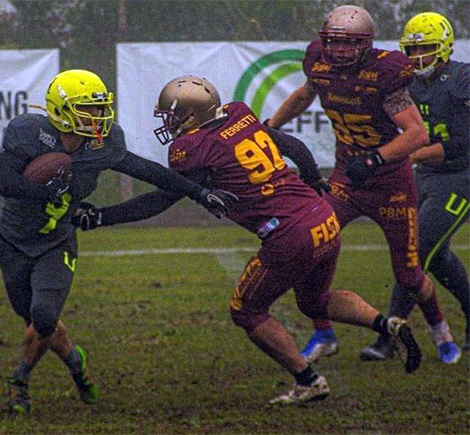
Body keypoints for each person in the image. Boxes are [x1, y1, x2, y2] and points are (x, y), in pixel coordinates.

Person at [73, 75, 422, 404]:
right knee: (315, 302)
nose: (169, 123)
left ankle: (307, 381)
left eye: (173, 116)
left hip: (290, 234)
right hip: (323, 215)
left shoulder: (192, 148)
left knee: (246, 310)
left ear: (192, 116)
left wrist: (104, 216)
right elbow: (295, 147)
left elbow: (160, 199)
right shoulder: (240, 115)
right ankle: (387, 323)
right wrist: (315, 180)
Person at [0, 69, 238, 413]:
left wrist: (198, 192)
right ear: (62, 110)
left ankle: (20, 380)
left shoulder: (101, 145)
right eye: (88, 109)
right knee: (36, 323)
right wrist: (40, 192)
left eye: (101, 108)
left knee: (43, 318)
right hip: (13, 241)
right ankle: (76, 362)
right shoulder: (31, 134)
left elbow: (146, 170)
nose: (98, 116)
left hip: (56, 243)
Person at [265, 4, 460, 365]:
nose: (339, 51)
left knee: (409, 274)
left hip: (390, 182)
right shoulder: (318, 64)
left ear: (366, 44)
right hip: (347, 181)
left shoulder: (384, 72)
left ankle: (439, 328)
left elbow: (417, 133)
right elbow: (307, 93)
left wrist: (375, 159)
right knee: (307, 244)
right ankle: (324, 333)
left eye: (349, 44)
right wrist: (272, 125)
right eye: (333, 43)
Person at [360, 12, 470, 360]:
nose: (418, 57)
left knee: (416, 250)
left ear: (445, 47)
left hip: (461, 175)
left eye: (426, 48)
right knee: (436, 258)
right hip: (424, 176)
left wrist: (410, 155)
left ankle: (390, 333)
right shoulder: (405, 84)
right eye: (413, 48)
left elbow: (464, 142)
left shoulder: (463, 79)